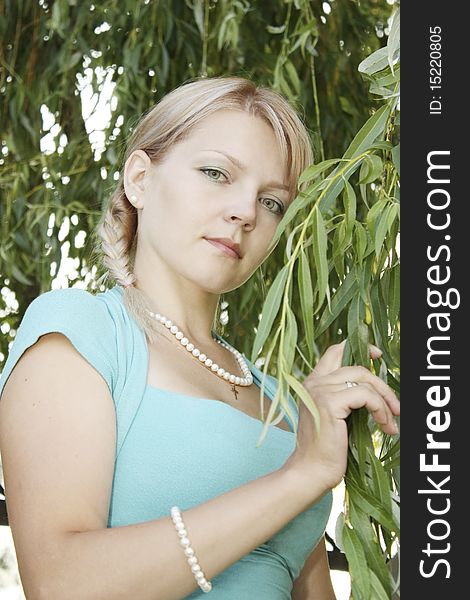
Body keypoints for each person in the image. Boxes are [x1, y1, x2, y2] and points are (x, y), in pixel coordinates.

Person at [0, 76, 400, 600]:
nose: (246, 212)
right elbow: (62, 584)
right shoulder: (83, 333)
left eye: (273, 202)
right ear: (140, 179)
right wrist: (299, 475)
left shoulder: (282, 402)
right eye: (216, 173)